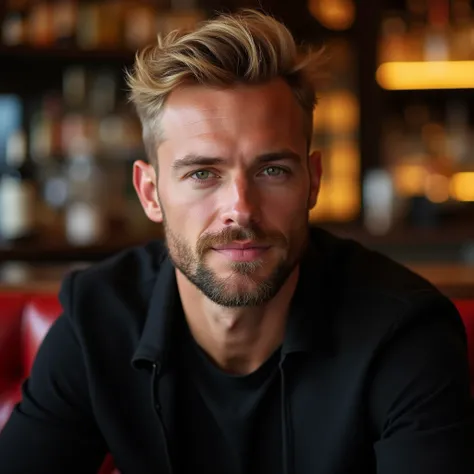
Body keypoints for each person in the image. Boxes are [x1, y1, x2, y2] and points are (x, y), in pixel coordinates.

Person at [0, 9, 473, 474]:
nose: (241, 208)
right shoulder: (96, 318)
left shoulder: (403, 330)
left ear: (313, 181)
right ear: (151, 193)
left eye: (272, 170)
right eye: (203, 173)